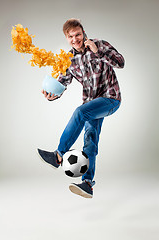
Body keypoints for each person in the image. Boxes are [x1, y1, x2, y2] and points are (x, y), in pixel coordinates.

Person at [37, 18, 125, 198]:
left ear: (83, 32)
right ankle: (87, 184)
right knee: (90, 140)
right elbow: (62, 83)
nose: (75, 39)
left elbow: (120, 62)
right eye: (71, 36)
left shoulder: (99, 44)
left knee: (80, 112)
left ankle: (58, 155)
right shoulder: (69, 59)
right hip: (92, 104)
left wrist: (98, 51)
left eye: (77, 34)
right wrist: (53, 95)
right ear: (66, 38)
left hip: (110, 99)